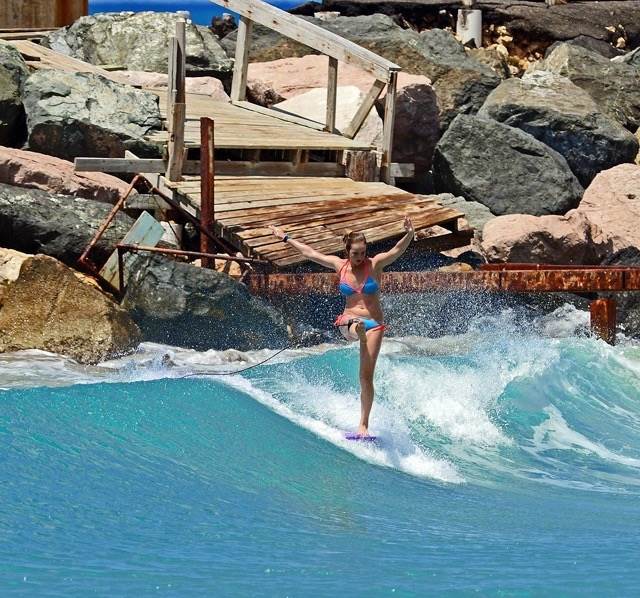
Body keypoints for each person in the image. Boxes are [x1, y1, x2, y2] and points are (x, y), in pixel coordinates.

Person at [269, 217, 415, 437]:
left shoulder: (375, 264)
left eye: (363, 252)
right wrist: (286, 237)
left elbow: (397, 250)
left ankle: (363, 426)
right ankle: (358, 332)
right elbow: (310, 253)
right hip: (349, 320)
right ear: (347, 251)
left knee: (365, 377)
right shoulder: (340, 266)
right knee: (353, 326)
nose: (360, 257)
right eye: (355, 253)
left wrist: (410, 234)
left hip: (374, 324)